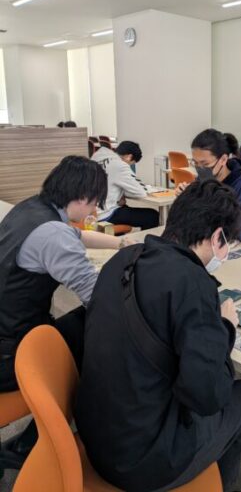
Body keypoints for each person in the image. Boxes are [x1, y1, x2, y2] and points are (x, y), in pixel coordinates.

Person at [75, 179, 241, 492]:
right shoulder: (192, 281)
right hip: (144, 462)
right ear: (217, 236)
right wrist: (225, 328)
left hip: (95, 435)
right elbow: (207, 397)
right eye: (227, 243)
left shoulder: (123, 259)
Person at [0, 156, 133, 469]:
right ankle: (37, 444)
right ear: (83, 197)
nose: (94, 212)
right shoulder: (53, 235)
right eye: (95, 204)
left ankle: (33, 439)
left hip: (8, 329)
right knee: (99, 341)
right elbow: (97, 297)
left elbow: (76, 236)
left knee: (81, 327)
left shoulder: (30, 209)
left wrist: (120, 244)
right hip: (9, 354)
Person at [176, 129, 241, 245]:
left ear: (223, 159)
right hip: (207, 240)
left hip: (239, 244)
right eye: (195, 163)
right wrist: (185, 198)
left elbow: (236, 232)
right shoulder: (204, 179)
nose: (200, 169)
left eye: (205, 164)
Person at [91, 140, 159, 230]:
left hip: (90, 211)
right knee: (152, 215)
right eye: (131, 164)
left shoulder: (98, 157)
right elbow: (140, 192)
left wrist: (120, 195)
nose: (130, 167)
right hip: (105, 214)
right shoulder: (120, 165)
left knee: (125, 209)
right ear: (129, 157)